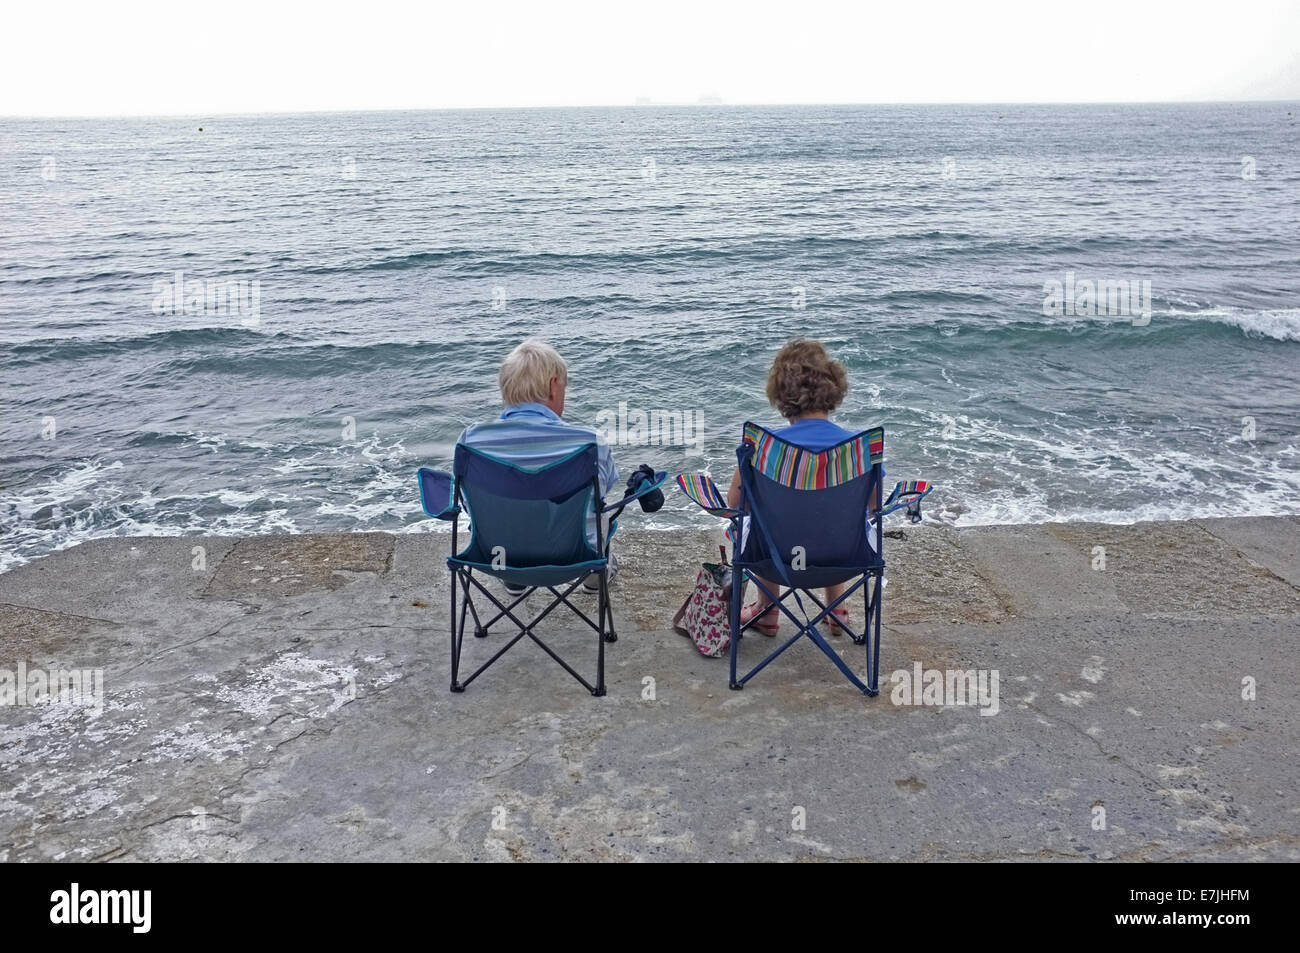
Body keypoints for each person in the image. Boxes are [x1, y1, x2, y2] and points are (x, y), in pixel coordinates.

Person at [725, 338, 879, 635]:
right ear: (833, 387)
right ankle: (837, 609)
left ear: (780, 393)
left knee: (761, 523)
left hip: (774, 559)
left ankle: (768, 611)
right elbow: (873, 508)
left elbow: (735, 505)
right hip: (843, 557)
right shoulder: (860, 450)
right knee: (836, 515)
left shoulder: (762, 448)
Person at [457, 339, 620, 593]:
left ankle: (514, 577)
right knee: (600, 507)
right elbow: (603, 491)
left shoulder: (471, 441)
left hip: (499, 557)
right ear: (554, 386)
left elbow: (466, 503)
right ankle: (594, 578)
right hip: (574, 558)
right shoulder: (590, 442)